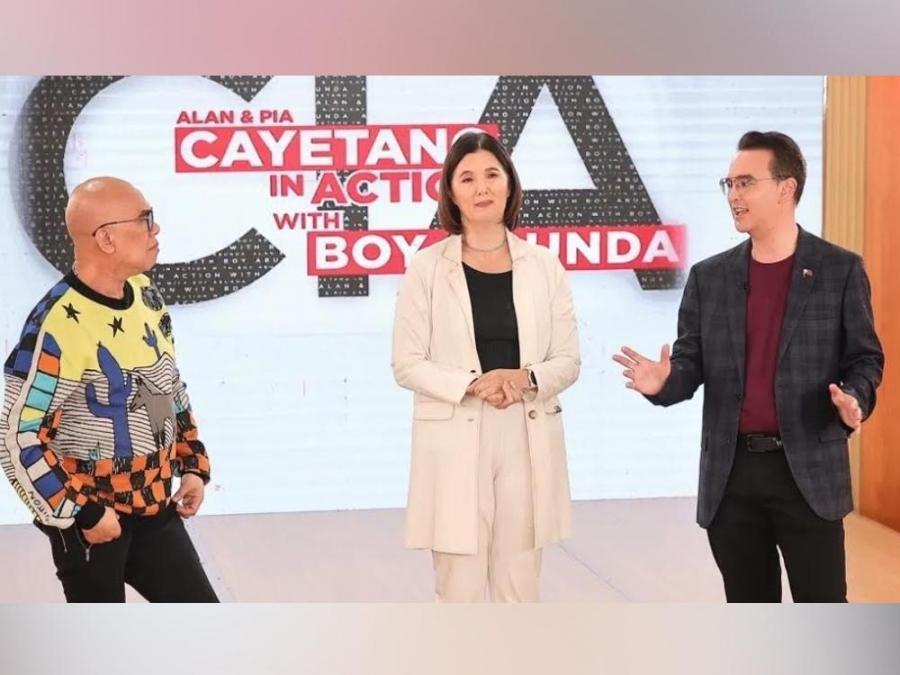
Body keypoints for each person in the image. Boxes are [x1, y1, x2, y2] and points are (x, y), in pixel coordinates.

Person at [613, 131, 884, 602]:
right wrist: (664, 382)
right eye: (730, 184)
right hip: (732, 476)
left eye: (746, 183)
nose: (734, 196)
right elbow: (689, 365)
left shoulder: (839, 269)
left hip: (808, 472)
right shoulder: (710, 278)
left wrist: (855, 400)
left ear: (786, 188)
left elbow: (865, 358)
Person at [1, 176, 218, 602]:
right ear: (105, 238)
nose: (156, 230)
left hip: (156, 509)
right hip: (93, 524)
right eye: (145, 220)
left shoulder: (145, 294)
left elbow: (166, 385)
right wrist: (82, 513)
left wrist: (191, 462)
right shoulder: (56, 325)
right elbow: (16, 434)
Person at [391, 132, 580, 602]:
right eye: (468, 178)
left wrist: (524, 379)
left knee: (520, 587)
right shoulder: (427, 268)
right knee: (459, 588)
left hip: (525, 429)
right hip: (456, 432)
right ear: (451, 192)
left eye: (493, 175)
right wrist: (474, 384)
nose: (482, 188)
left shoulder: (545, 265)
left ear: (510, 185)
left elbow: (568, 360)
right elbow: (407, 364)